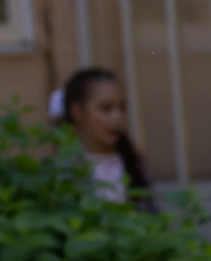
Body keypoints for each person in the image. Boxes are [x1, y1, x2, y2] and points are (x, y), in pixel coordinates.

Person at [58, 66, 151, 202]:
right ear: (77, 112)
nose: (117, 117)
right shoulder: (65, 169)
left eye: (122, 108)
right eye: (106, 109)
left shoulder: (134, 164)